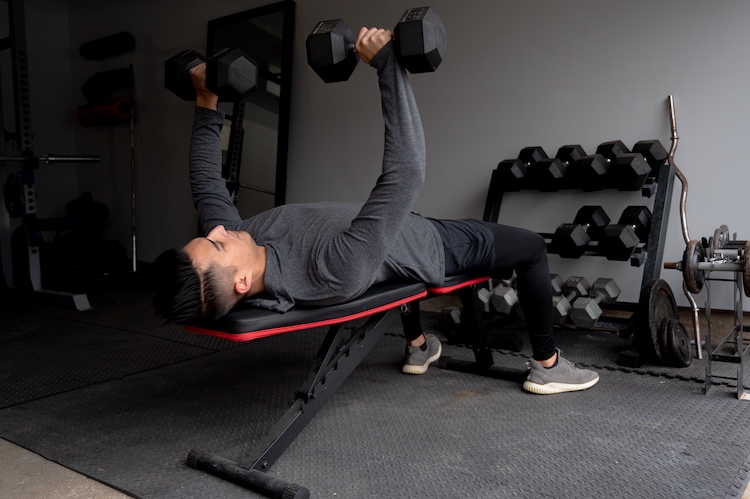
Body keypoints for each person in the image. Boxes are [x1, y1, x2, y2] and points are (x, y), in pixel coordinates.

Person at [153, 27, 598, 395]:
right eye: (215, 242)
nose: (220, 230)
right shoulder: (330, 269)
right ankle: (548, 364)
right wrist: (388, 65)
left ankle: (420, 345)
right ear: (242, 281)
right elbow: (406, 174)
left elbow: (206, 181)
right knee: (530, 248)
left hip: (393, 238)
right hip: (435, 246)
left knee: (381, 243)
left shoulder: (239, 244)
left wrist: (206, 99)